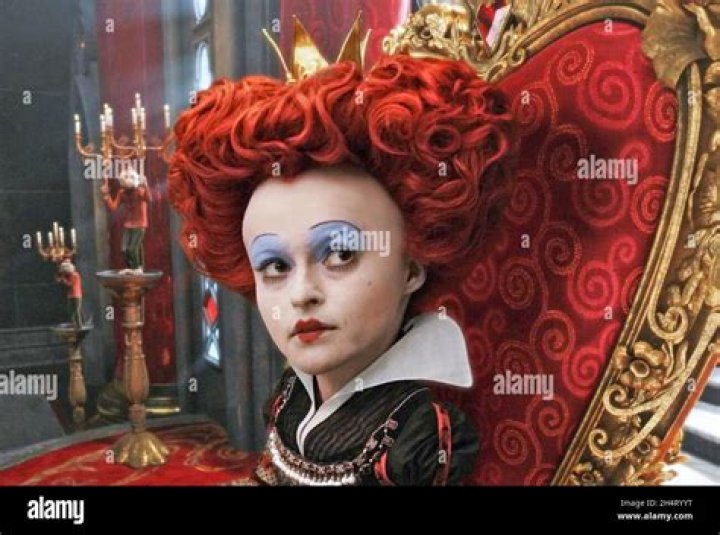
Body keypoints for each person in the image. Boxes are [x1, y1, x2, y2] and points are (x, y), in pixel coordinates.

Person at [168, 51, 518, 485]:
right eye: (274, 265)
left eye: (340, 256)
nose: (302, 294)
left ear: (411, 268)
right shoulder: (291, 395)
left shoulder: (420, 434)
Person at [101, 168, 149, 273]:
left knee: (132, 248)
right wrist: (106, 195)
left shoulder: (139, 191)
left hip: (140, 223)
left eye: (130, 177)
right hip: (128, 224)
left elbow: (148, 199)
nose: (128, 179)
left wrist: (146, 185)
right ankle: (130, 268)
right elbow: (113, 207)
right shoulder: (122, 193)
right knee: (124, 248)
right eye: (126, 177)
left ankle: (137, 268)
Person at [56, 259, 85, 330]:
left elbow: (70, 284)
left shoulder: (75, 275)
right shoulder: (69, 276)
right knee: (71, 311)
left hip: (76, 295)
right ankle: (74, 324)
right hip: (71, 295)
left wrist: (63, 280)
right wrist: (61, 279)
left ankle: (79, 325)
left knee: (76, 311)